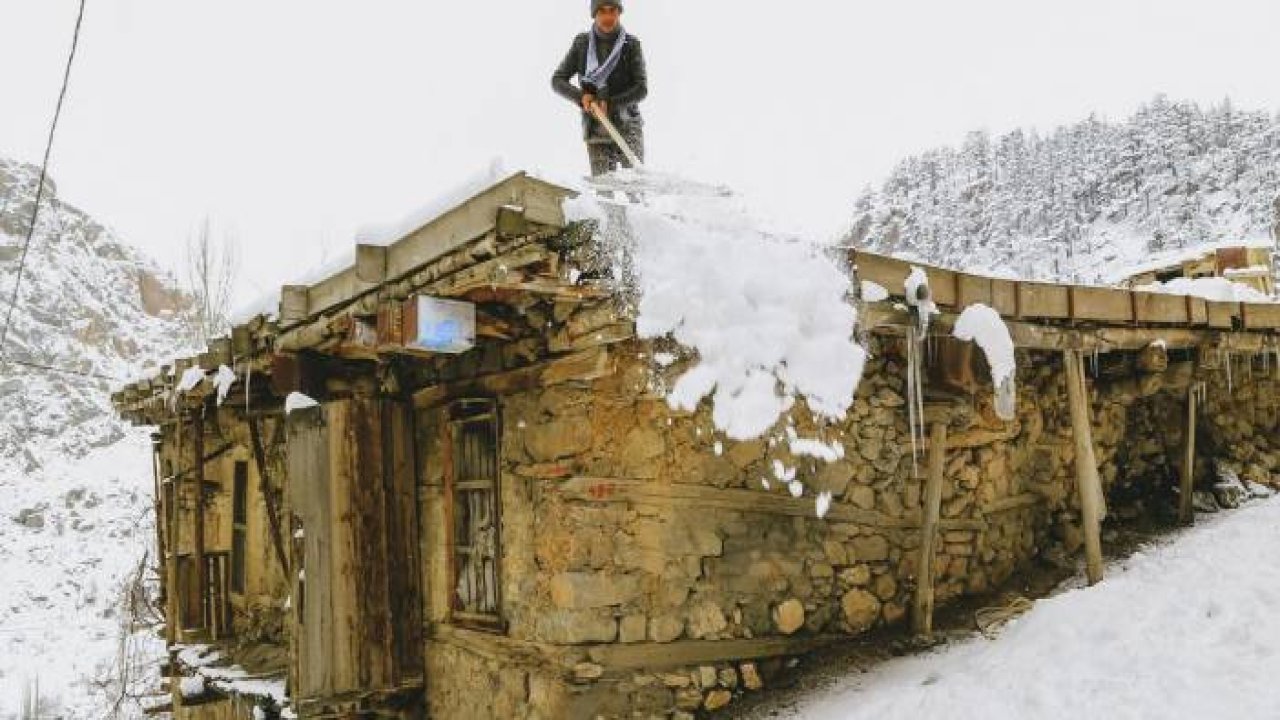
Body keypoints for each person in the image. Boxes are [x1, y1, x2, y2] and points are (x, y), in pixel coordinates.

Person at [552, 0, 648, 176]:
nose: (607, 17)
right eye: (602, 11)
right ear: (594, 14)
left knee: (635, 186)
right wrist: (581, 97)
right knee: (603, 189)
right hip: (596, 132)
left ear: (619, 12)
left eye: (612, 10)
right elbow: (557, 80)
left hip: (628, 129)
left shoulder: (631, 45)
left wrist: (610, 103)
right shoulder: (582, 44)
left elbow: (641, 89)